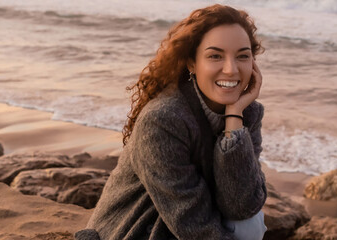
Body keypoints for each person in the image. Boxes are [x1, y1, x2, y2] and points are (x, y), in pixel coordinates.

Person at [76, 4, 267, 240]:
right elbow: (191, 222)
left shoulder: (248, 113)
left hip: (188, 223)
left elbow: (242, 207)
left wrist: (234, 118)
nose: (231, 69)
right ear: (192, 63)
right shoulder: (163, 120)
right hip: (137, 230)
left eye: (242, 56)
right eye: (215, 56)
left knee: (251, 224)